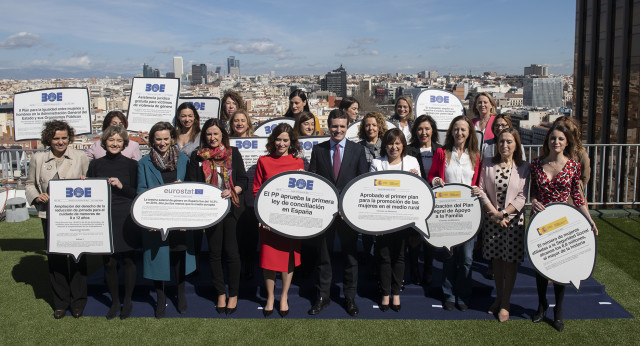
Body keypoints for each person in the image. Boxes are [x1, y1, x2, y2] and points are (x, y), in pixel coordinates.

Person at [530, 123, 599, 332]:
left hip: (562, 222)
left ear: (567, 142)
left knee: (561, 266)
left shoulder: (573, 166)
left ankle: (558, 311)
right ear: (547, 141)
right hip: (540, 221)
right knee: (540, 267)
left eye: (560, 139)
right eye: (553, 138)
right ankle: (541, 305)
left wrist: (589, 218)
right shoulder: (536, 164)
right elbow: (532, 191)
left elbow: (577, 197)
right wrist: (533, 200)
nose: (556, 142)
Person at [26, 120, 89, 319]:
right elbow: (30, 184)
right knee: (55, 258)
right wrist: (37, 196)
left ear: (69, 138)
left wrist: (85, 184)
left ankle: (78, 301)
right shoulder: (38, 158)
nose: (60, 142)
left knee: (77, 257)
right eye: (56, 138)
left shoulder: (81, 156)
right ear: (49, 139)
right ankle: (61, 302)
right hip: (50, 215)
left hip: (76, 215)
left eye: (64, 138)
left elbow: (91, 182)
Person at [308, 109, 369, 316]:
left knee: (350, 257)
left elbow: (361, 182)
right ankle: (322, 296)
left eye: (342, 126)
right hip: (325, 214)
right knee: (323, 256)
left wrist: (348, 207)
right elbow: (314, 182)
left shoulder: (357, 150)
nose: (338, 130)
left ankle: (350, 298)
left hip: (347, 214)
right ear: (329, 127)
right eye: (335, 126)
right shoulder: (318, 150)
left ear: (347, 126)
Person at [186, 118, 248, 315]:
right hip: (210, 211)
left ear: (223, 135)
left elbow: (243, 180)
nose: (212, 138)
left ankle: (234, 294)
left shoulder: (233, 153)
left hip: (231, 209)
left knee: (231, 252)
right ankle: (221, 292)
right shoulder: (197, 157)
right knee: (214, 253)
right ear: (204, 136)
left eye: (216, 134)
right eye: (209, 134)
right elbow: (192, 184)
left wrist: (232, 190)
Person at [137, 121, 195, 318]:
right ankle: (160, 298)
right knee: (158, 259)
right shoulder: (144, 163)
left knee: (179, 254)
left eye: (165, 138)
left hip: (179, 217)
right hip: (156, 218)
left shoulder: (183, 160)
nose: (162, 143)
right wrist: (148, 220)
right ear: (152, 141)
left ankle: (180, 293)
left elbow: (191, 189)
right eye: (158, 139)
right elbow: (141, 191)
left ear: (172, 139)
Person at [475, 128, 530, 322]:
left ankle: (506, 302)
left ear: (516, 145)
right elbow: (480, 189)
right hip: (492, 220)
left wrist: (505, 213)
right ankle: (498, 297)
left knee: (510, 263)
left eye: (509, 142)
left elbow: (523, 196)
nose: (504, 145)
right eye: (501, 142)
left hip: (513, 222)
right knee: (496, 261)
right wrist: (494, 213)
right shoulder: (488, 163)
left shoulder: (523, 167)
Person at [427, 115, 481, 312]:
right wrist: (435, 182)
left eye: (463, 130)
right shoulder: (442, 153)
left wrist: (477, 188)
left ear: (469, 133)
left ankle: (463, 294)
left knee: (466, 259)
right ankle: (449, 294)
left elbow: (479, 181)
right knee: (449, 257)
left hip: (468, 212)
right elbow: (432, 174)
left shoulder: (475, 156)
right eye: (456, 129)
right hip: (447, 212)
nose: (459, 133)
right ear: (451, 132)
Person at [86, 125, 139, 320]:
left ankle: (128, 300)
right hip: (104, 216)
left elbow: (136, 192)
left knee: (128, 259)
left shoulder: (132, 165)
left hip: (125, 215)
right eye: (111, 140)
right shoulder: (96, 165)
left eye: (118, 141)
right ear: (105, 142)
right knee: (108, 262)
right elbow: (90, 191)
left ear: (124, 143)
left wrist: (121, 185)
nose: (115, 144)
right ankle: (115, 301)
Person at [253, 123, 304, 318]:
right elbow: (257, 190)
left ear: (291, 142)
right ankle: (270, 297)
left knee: (288, 258)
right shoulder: (263, 161)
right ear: (272, 140)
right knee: (269, 260)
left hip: (290, 221)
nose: (281, 143)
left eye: (285, 140)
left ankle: (284, 296)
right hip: (268, 220)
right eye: (278, 139)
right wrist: (262, 216)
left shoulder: (298, 163)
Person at [370, 128, 420, 312]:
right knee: (383, 256)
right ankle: (385, 293)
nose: (394, 147)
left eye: (398, 143)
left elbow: (418, 191)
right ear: (385, 145)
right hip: (382, 219)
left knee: (399, 257)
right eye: (390, 143)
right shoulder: (377, 163)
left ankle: (396, 292)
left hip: (404, 220)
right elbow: (372, 192)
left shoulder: (412, 162)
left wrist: (416, 179)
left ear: (403, 145)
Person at [407, 115, 441, 286]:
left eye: (427, 129)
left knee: (430, 238)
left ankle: (428, 269)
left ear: (433, 130)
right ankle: (414, 270)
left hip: (435, 199)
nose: (423, 132)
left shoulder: (441, 150)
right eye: (420, 129)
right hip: (415, 200)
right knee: (413, 239)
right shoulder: (407, 150)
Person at [356, 111, 388, 277]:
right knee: (367, 234)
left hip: (384, 196)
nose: (371, 128)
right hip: (366, 196)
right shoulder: (357, 148)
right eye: (367, 125)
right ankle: (369, 264)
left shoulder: (387, 146)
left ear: (380, 127)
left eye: (374, 125)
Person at [553, 116, 590, 192]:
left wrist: (576, 189)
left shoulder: (580, 153)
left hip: (571, 196)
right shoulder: (550, 149)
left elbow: (585, 176)